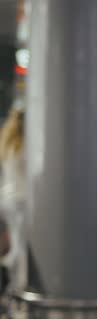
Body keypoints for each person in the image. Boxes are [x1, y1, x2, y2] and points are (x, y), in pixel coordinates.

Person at [0, 108, 26, 292]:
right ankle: (14, 286)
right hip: (20, 203)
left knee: (14, 245)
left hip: (6, 199)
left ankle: (12, 283)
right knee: (20, 247)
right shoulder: (24, 147)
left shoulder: (8, 143)